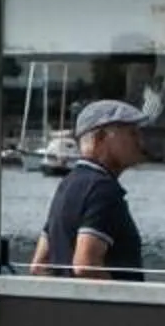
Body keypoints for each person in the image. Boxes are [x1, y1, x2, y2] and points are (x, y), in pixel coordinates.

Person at [28, 99, 148, 280]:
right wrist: (127, 299)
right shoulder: (103, 189)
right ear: (100, 138)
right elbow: (86, 265)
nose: (139, 141)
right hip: (108, 308)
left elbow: (40, 264)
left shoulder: (67, 185)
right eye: (131, 133)